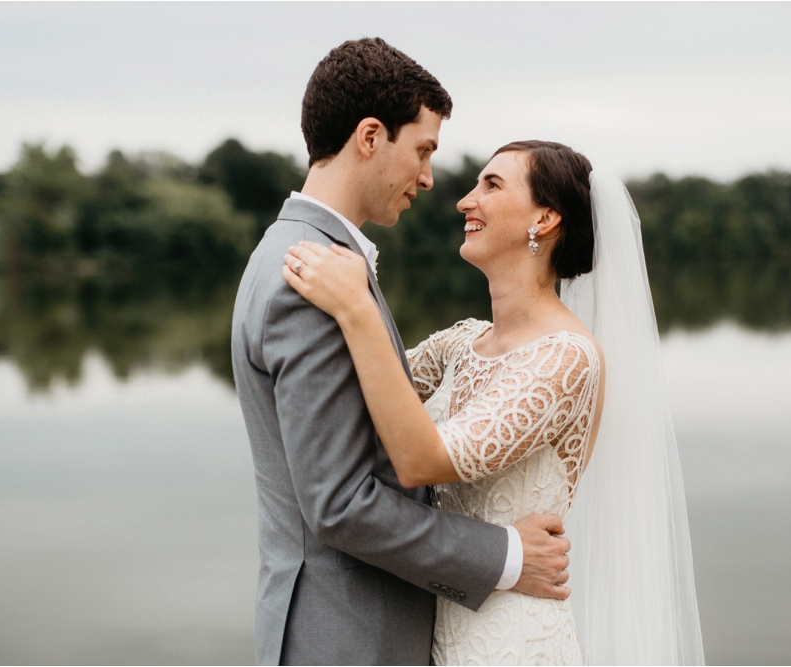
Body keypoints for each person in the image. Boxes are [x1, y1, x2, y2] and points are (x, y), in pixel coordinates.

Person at [283, 141, 705, 665]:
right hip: (436, 630)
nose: (465, 200)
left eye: (492, 185)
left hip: (513, 642)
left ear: (546, 219)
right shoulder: (462, 344)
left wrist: (357, 309)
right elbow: (358, 402)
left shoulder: (566, 359)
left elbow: (423, 459)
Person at [230, 39, 572, 666]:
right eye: (422, 149)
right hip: (346, 637)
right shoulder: (309, 279)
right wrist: (508, 556)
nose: (430, 178)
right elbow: (339, 504)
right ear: (368, 137)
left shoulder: (309, 257)